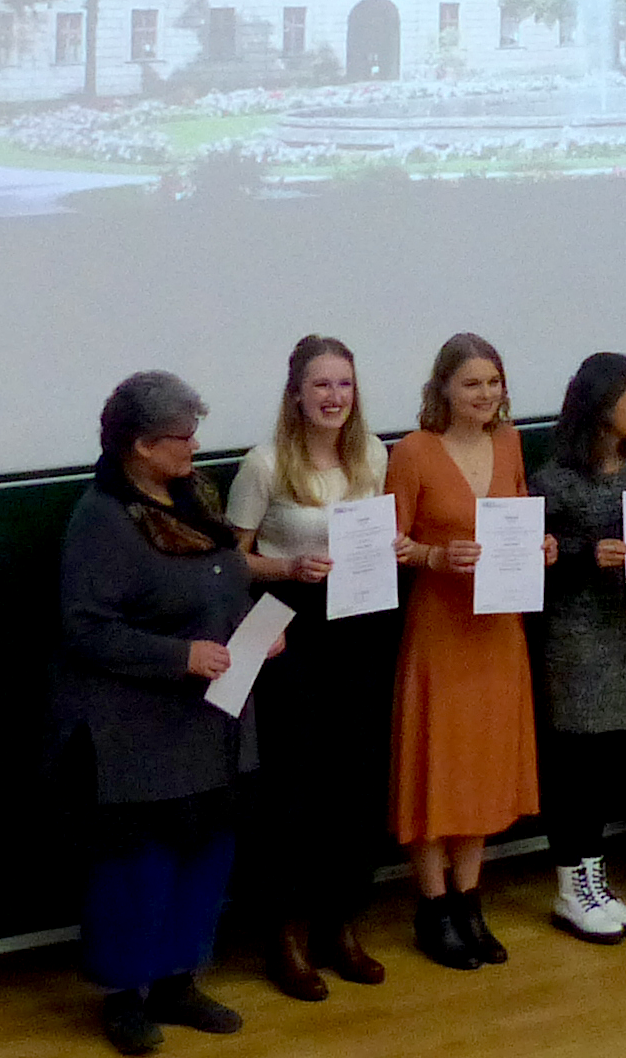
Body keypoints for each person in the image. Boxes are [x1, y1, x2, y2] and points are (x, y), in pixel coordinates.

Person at [58, 371, 274, 1054]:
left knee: (207, 853)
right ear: (140, 445)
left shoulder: (195, 496)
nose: (194, 446)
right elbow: (87, 628)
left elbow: (229, 577)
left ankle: (180, 979)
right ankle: (125, 995)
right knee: (138, 869)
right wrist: (180, 657)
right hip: (138, 732)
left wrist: (258, 627)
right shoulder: (101, 519)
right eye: (181, 437)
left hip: (217, 720)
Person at [224, 334, 398, 1000]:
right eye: (321, 384)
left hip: (359, 624)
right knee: (293, 785)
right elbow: (232, 559)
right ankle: (285, 934)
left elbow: (382, 535)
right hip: (289, 630)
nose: (334, 397)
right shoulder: (264, 463)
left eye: (344, 385)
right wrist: (288, 566)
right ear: (296, 391)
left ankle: (340, 924)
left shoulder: (373, 454)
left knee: (353, 779)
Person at [387, 332, 555, 970]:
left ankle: (469, 901)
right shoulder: (413, 453)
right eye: (471, 384)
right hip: (441, 632)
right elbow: (389, 543)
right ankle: (432, 908)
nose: (485, 395)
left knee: (482, 766)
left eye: (493, 382)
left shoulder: (509, 442)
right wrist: (434, 555)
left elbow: (518, 521)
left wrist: (541, 547)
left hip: (498, 630)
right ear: (444, 391)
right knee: (438, 766)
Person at [530, 351, 626, 943]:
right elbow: (535, 564)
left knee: (607, 762)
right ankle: (569, 885)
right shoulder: (553, 479)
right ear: (603, 406)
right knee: (575, 763)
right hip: (577, 636)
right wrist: (586, 555)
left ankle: (594, 876)